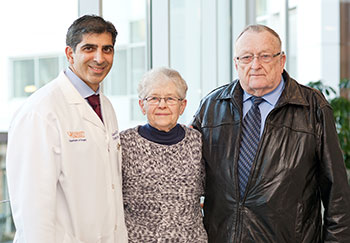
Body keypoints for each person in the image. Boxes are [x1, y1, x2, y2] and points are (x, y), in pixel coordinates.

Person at [191, 24, 350, 242]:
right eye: (246, 57)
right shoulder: (211, 107)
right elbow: (186, 173)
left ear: (281, 60)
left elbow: (337, 195)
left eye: (265, 56)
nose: (255, 65)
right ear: (236, 63)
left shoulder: (313, 108)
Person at [6, 15, 128, 243]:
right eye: (89, 48)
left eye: (107, 49)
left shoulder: (105, 106)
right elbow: (33, 204)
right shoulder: (41, 111)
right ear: (70, 54)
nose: (100, 58)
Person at [120, 67, 208, 242]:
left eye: (170, 99)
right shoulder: (124, 143)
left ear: (182, 105)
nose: (162, 105)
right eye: (154, 98)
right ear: (142, 105)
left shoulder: (197, 141)